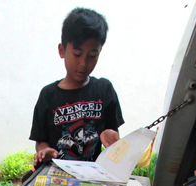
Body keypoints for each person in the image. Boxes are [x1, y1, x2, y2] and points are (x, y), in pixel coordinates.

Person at [29, 7, 124, 165]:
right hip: (58, 177)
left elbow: (112, 135)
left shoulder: (104, 89)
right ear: (62, 50)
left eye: (92, 55)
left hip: (92, 176)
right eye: (77, 54)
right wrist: (44, 151)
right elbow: (41, 141)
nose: (84, 63)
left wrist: (111, 138)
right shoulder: (48, 95)